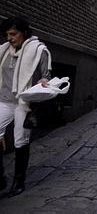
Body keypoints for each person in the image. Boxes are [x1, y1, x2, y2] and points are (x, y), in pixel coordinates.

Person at [0, 16, 51, 197]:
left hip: (24, 103)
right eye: (7, 34)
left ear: (24, 33)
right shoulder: (4, 50)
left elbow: (46, 75)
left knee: (20, 140)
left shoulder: (38, 50)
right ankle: (1, 178)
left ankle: (18, 181)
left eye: (13, 34)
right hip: (4, 99)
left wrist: (44, 80)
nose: (9, 38)